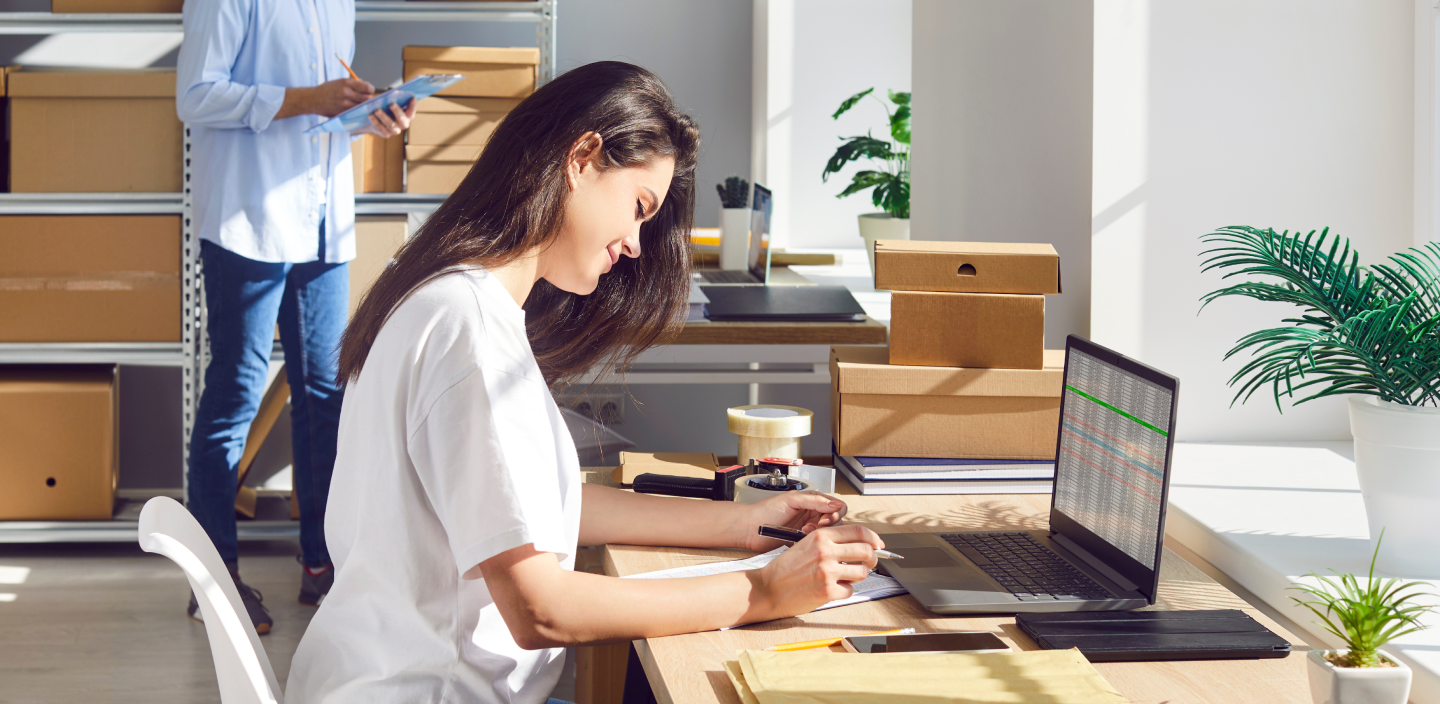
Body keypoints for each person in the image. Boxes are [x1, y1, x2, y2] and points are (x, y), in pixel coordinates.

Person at [284, 61, 886, 703]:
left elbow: (542, 503)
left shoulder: (459, 301)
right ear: (582, 157)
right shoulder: (469, 329)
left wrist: (746, 527)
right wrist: (764, 590)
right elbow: (542, 610)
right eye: (638, 208)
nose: (633, 242)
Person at [175, 0, 417, 634]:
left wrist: (370, 114)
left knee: (327, 396)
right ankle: (215, 577)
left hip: (322, 223)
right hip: (246, 221)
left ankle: (323, 565)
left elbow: (323, 113)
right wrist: (310, 97)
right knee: (235, 393)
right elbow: (195, 95)